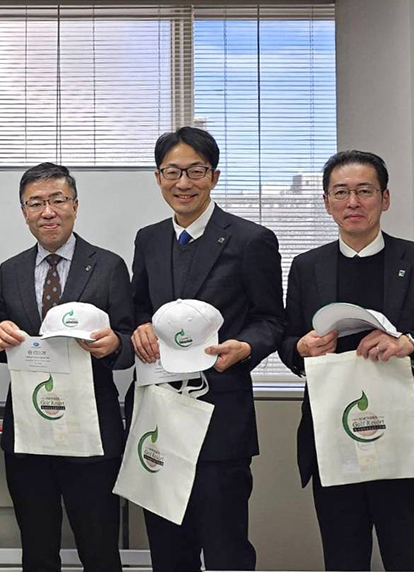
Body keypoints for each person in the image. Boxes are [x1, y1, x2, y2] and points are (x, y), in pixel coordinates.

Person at [279, 149, 414, 571]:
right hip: (335, 446)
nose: (353, 202)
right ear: (326, 202)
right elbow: (287, 341)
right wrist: (300, 348)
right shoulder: (307, 267)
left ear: (385, 198)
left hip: (410, 452)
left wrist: (412, 343)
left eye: (365, 191)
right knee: (343, 562)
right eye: (341, 192)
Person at [129, 126, 286, 572]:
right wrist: (140, 328)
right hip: (159, 417)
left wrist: (246, 346)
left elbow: (273, 320)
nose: (183, 183)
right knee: (168, 552)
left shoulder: (251, 240)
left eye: (195, 171)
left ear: (214, 176)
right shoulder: (148, 239)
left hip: (221, 417)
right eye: (172, 172)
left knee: (225, 550)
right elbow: (139, 307)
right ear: (158, 178)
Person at [0, 162, 135, 572]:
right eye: (36, 203)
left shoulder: (108, 266)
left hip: (91, 431)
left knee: (100, 549)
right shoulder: (10, 270)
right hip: (29, 431)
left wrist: (115, 344)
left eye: (57, 200)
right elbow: (0, 338)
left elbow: (129, 340)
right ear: (24, 211)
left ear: (75, 204)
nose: (48, 212)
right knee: (37, 551)